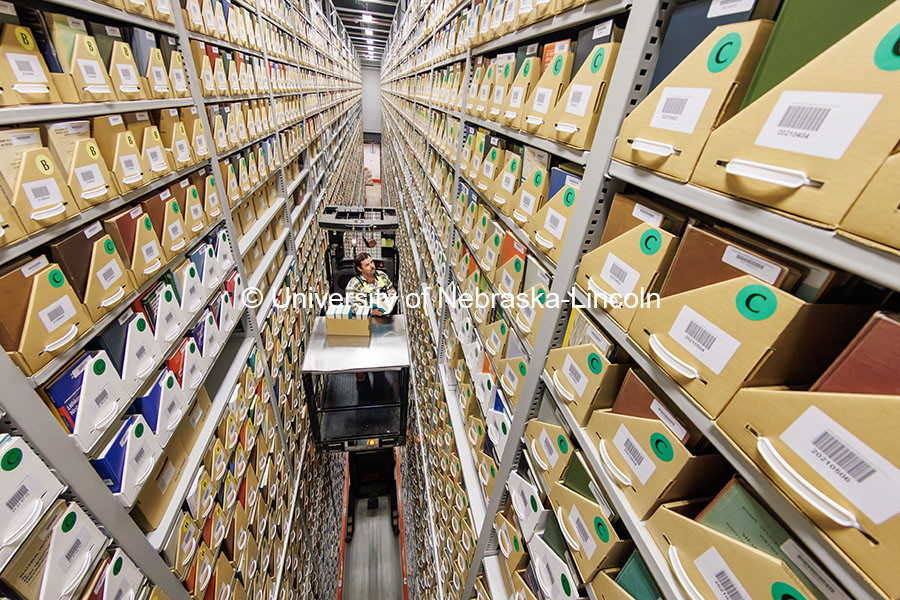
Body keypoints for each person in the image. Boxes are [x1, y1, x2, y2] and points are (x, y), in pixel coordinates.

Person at [345, 252, 396, 317]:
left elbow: (391, 289)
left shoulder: (382, 275)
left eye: (371, 262)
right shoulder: (353, 285)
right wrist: (371, 312)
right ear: (360, 268)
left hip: (387, 315)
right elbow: (352, 307)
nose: (371, 266)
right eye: (367, 265)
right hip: (367, 319)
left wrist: (391, 295)